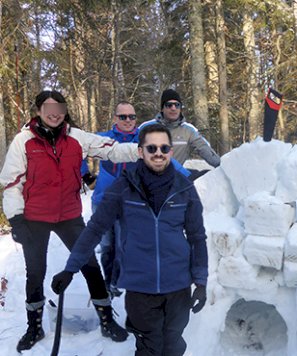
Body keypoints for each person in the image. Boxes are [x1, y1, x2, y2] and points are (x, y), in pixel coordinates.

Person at [51, 124, 209, 355]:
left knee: (173, 343)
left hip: (178, 285)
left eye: (164, 147)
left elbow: (197, 237)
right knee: (150, 345)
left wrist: (201, 281)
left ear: (171, 152)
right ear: (140, 151)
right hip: (140, 286)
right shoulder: (124, 187)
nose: (158, 152)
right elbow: (95, 229)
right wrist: (70, 269)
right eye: (151, 147)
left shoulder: (184, 188)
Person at [0, 90, 136, 352]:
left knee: (90, 266)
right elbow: (12, 182)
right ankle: (34, 326)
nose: (54, 112)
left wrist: (143, 150)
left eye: (59, 107)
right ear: (38, 110)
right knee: (35, 273)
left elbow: (113, 150)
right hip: (34, 218)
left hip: (69, 215)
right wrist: (16, 220)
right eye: (48, 107)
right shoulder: (23, 140)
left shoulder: (77, 137)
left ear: (65, 110)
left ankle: (106, 320)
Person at [91, 101, 140, 298]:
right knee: (107, 245)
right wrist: (85, 175)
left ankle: (116, 282)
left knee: (123, 244)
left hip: (129, 202)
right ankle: (107, 281)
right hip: (102, 201)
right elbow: (77, 151)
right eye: (123, 117)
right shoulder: (103, 138)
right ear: (115, 118)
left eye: (131, 116)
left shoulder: (143, 139)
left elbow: (163, 158)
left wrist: (187, 176)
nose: (128, 120)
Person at [140, 88, 220, 177]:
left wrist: (222, 166)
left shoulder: (188, 130)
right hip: (148, 177)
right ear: (162, 108)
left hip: (175, 177)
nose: (173, 108)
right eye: (169, 105)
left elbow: (204, 148)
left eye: (177, 105)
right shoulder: (146, 127)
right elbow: (131, 151)